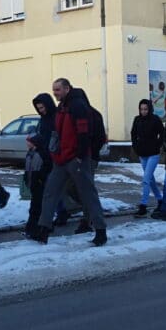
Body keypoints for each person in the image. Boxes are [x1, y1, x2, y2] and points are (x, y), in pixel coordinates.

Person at [31, 78, 108, 246]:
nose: (55, 93)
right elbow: (58, 132)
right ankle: (43, 230)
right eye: (53, 90)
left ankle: (100, 230)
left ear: (67, 88)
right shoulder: (62, 107)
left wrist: (80, 155)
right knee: (50, 192)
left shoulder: (78, 106)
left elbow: (84, 133)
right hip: (62, 158)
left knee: (88, 194)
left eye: (57, 90)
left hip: (76, 159)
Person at [24, 93, 56, 238]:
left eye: (42, 107)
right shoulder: (44, 120)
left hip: (48, 160)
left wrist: (37, 142)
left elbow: (50, 138)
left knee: (42, 197)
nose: (41, 110)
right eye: (38, 108)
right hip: (42, 159)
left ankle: (38, 226)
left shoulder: (54, 119)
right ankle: (39, 225)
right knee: (41, 196)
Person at [130, 98, 164, 217]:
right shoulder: (137, 119)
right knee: (150, 179)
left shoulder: (155, 119)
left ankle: (143, 206)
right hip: (142, 154)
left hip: (153, 154)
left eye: (145, 109)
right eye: (141, 109)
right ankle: (160, 200)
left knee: (145, 179)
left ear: (149, 109)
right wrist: (135, 147)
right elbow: (133, 134)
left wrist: (157, 145)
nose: (143, 111)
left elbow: (163, 133)